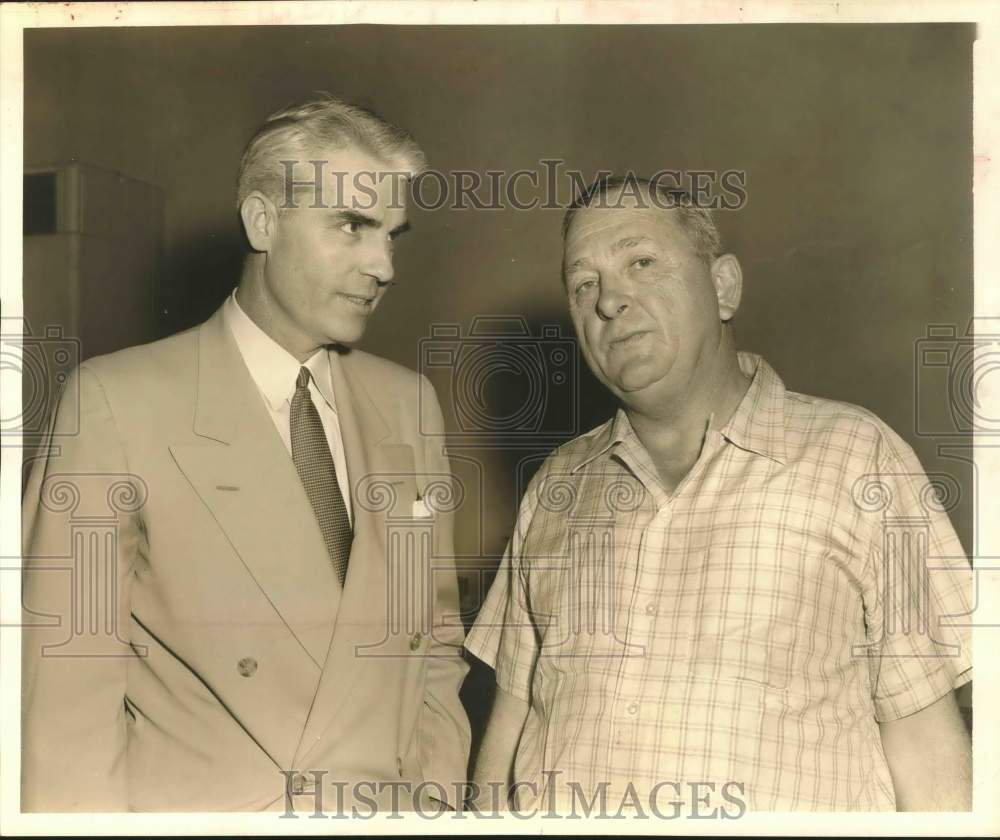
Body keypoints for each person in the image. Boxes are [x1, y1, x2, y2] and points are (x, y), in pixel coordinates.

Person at [464, 175, 973, 812]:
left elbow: (926, 739)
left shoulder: (856, 458)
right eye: (583, 283)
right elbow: (510, 724)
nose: (609, 300)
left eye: (641, 262)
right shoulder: (557, 486)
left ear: (724, 286)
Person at [21, 93, 470, 812]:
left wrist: (436, 801)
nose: (382, 265)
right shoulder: (116, 401)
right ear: (263, 221)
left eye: (393, 234)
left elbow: (433, 645)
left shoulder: (408, 405)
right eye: (351, 226)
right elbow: (63, 693)